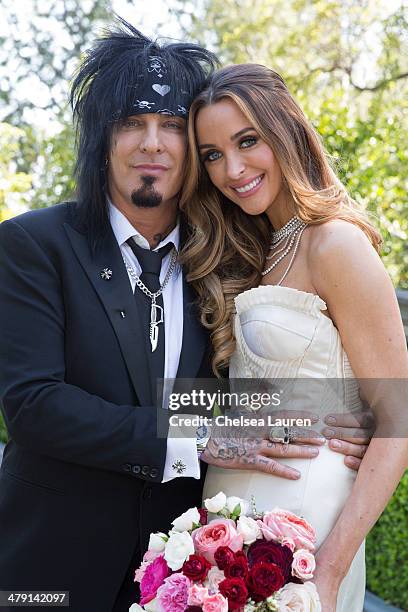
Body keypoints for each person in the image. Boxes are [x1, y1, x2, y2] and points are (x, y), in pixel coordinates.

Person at [0, 21, 371, 612]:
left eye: (172, 126)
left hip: (184, 579)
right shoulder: (32, 244)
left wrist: (345, 414)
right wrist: (195, 438)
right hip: (48, 573)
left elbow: (189, 394)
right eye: (131, 123)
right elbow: (35, 406)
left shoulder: (224, 258)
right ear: (102, 140)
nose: (152, 143)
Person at [181, 63, 408, 612]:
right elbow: (254, 397)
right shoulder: (254, 252)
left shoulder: (335, 244)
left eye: (247, 140)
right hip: (223, 537)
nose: (232, 169)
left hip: (304, 535)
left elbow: (400, 415)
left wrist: (327, 572)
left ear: (286, 132)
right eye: (212, 154)